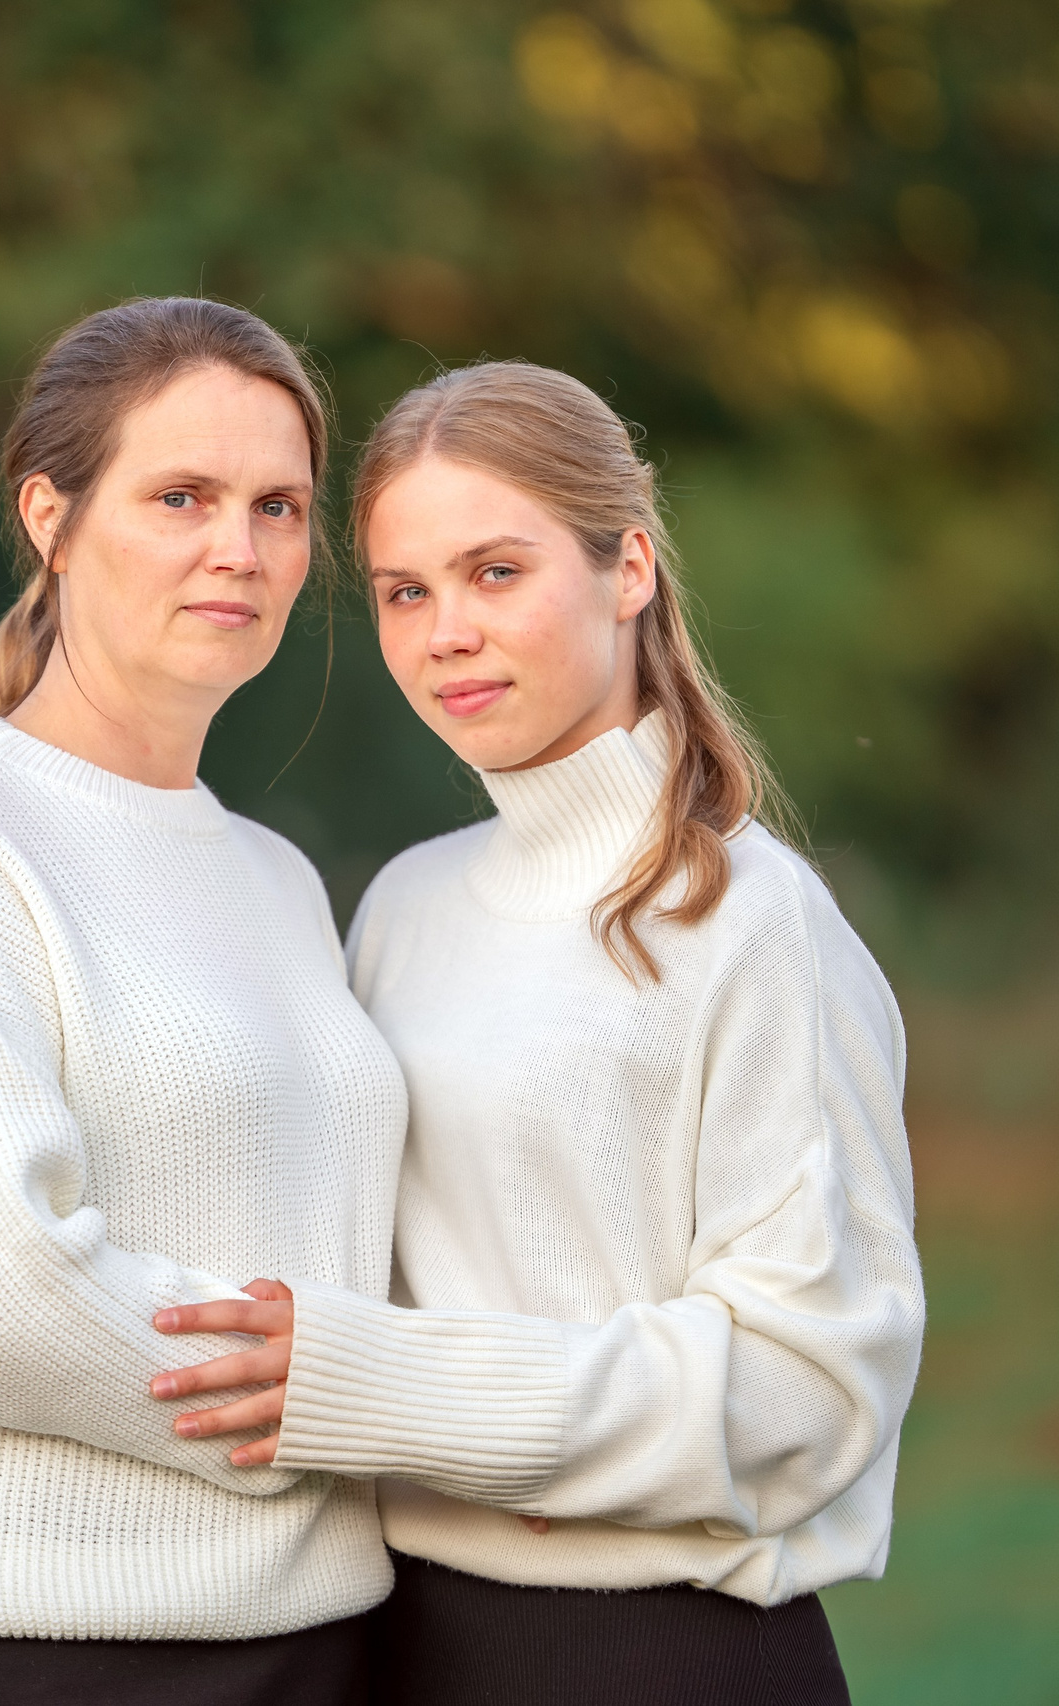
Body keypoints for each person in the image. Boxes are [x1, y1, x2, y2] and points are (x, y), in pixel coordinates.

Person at [152, 360, 925, 1705]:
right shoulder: (403, 905)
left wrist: (397, 1391)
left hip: (660, 1655)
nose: (446, 632)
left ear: (630, 569)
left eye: (496, 573)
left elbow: (808, 1386)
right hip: (402, 1639)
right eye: (405, 591)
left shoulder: (751, 920)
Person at [0, 297, 408, 1706]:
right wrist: (341, 1402)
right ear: (49, 516)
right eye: (181, 496)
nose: (238, 548)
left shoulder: (279, 880)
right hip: (44, 1661)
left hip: (328, 1647)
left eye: (277, 507)